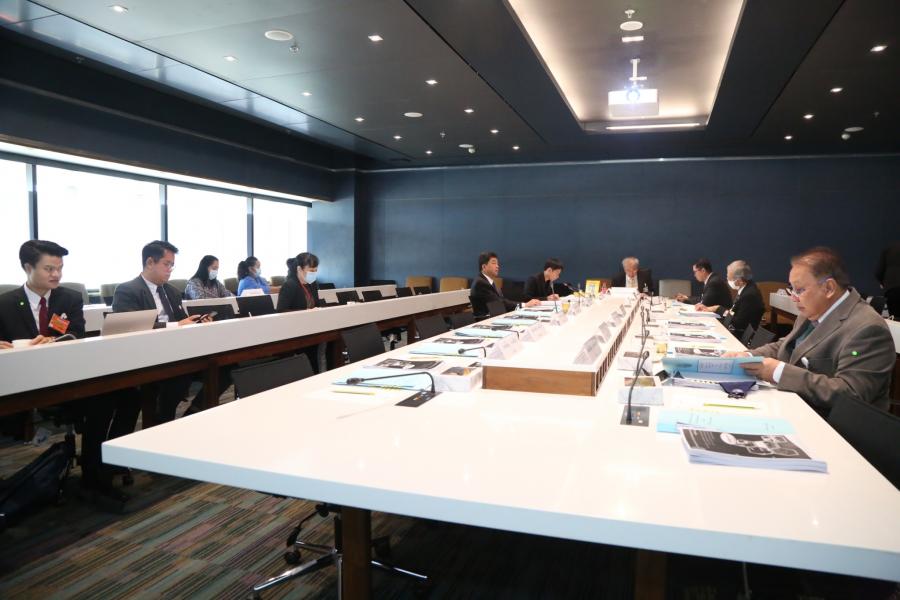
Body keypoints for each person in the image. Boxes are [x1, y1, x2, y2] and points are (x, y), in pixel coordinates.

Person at [0, 240, 139, 504]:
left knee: (130, 395)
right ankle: (93, 476)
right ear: (28, 268)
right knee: (102, 402)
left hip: (67, 376)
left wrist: (54, 341)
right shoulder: (5, 303)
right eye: (49, 269)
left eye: (60, 268)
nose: (56, 274)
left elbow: (77, 333)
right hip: (23, 383)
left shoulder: (69, 298)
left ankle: (103, 469)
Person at [727, 247, 895, 415]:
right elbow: (785, 346)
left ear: (829, 288)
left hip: (831, 425)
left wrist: (779, 372)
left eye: (800, 290)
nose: (794, 298)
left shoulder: (868, 329)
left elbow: (850, 395)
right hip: (795, 407)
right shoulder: (812, 310)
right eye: (792, 289)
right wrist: (749, 356)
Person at [113, 241, 211, 424]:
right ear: (150, 262)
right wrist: (176, 325)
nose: (170, 269)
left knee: (225, 367)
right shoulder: (127, 290)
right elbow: (132, 327)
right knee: (178, 377)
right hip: (146, 355)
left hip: (177, 351)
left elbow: (183, 321)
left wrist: (196, 322)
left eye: (172, 265)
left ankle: (190, 415)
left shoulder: (172, 291)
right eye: (167, 264)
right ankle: (161, 421)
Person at [697, 260, 764, 338]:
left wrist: (718, 308)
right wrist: (717, 308)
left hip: (740, 336)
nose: (727, 279)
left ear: (739, 280)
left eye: (729, 278)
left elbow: (738, 323)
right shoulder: (747, 287)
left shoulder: (749, 295)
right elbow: (734, 313)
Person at [470, 251, 540, 317]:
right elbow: (499, 303)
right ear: (484, 267)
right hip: (486, 320)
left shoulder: (487, 281)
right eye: (494, 263)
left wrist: (523, 305)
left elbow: (501, 301)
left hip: (495, 316)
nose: (497, 266)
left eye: (497, 264)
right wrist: (524, 305)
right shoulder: (481, 283)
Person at [875, 240, 900, 317]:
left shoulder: (888, 250)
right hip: (891, 287)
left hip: (891, 289)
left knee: (895, 318)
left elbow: (878, 272)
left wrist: (882, 283)